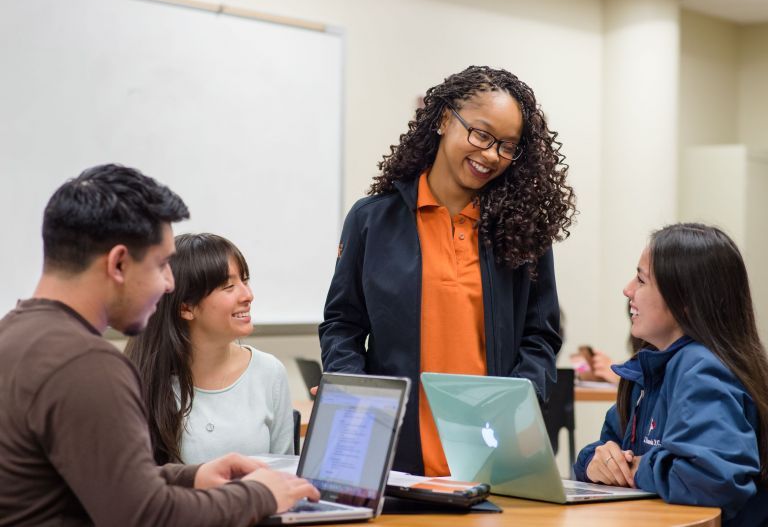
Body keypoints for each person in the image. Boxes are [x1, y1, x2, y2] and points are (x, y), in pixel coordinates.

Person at [0, 164, 318, 526]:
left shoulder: (14, 335)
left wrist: (191, 476)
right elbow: (146, 516)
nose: (169, 283)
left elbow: (109, 485)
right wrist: (260, 494)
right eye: (162, 264)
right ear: (119, 263)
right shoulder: (86, 365)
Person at [320, 66, 576, 476]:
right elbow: (342, 324)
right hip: (394, 458)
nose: (492, 155)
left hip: (492, 459)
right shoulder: (372, 220)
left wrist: (519, 401)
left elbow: (540, 335)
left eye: (508, 147)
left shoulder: (523, 231)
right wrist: (357, 395)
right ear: (443, 120)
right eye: (481, 134)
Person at [574, 223, 768, 526]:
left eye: (641, 279)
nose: (627, 290)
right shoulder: (651, 370)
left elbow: (712, 478)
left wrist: (636, 468)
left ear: (686, 301)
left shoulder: (702, 368)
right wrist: (595, 462)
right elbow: (607, 448)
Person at [125, 233, 293, 465]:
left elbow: (285, 475)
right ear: (186, 308)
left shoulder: (270, 372)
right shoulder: (144, 381)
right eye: (228, 286)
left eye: (245, 281)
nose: (248, 295)